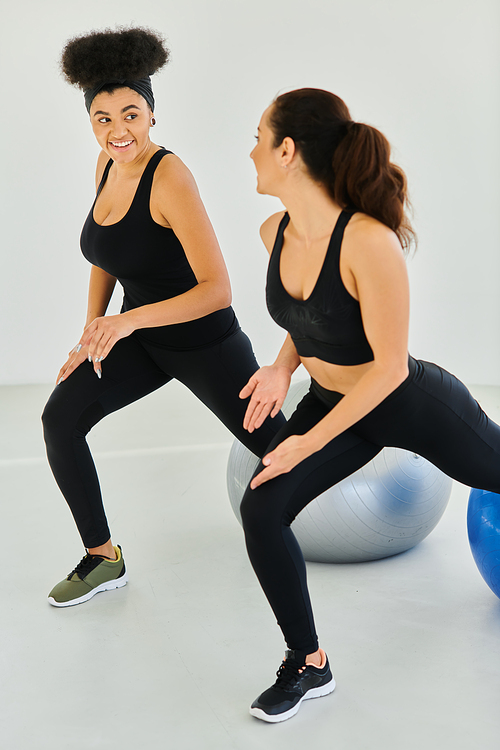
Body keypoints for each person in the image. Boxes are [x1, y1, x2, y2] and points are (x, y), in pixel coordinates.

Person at [239, 87, 500, 723]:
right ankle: (309, 661)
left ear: (288, 151)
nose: (249, 153)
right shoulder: (274, 230)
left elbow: (387, 369)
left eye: (257, 138)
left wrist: (307, 439)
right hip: (335, 401)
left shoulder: (368, 243)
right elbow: (310, 319)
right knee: (263, 508)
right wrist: (280, 368)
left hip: (408, 401)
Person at [42, 27, 284, 608]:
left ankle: (377, 437)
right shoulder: (106, 167)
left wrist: (124, 323)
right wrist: (91, 331)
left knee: (280, 451)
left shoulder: (169, 175)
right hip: (145, 338)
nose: (117, 130)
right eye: (102, 119)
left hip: (204, 342)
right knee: (61, 418)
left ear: (152, 114)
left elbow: (218, 290)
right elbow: (105, 253)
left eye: (130, 114)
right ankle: (103, 558)